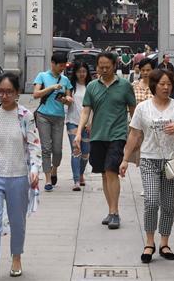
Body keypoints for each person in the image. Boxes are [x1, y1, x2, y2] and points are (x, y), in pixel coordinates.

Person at [0, 72, 43, 281]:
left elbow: (34, 145)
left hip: (18, 176)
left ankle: (16, 257)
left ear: (17, 92)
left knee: (17, 221)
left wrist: (34, 170)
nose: (4, 96)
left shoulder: (25, 116)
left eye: (9, 92)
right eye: (1, 91)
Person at [120, 68, 174, 262]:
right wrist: (125, 159)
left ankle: (165, 243)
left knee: (168, 205)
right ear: (154, 85)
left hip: (173, 163)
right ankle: (149, 242)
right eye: (162, 84)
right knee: (152, 201)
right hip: (149, 160)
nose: (166, 87)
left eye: (169, 84)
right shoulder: (143, 108)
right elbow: (134, 134)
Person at [74, 51, 136, 230]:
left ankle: (115, 212)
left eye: (107, 67)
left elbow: (133, 110)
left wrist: (135, 133)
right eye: (101, 67)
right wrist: (79, 133)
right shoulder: (92, 86)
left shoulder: (124, 85)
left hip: (118, 135)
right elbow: (86, 111)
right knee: (103, 173)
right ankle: (111, 210)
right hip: (97, 136)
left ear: (115, 66)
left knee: (111, 171)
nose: (104, 69)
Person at [32, 54, 73, 192]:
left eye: (64, 66)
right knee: (46, 148)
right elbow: (36, 94)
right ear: (53, 63)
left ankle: (54, 169)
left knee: (57, 150)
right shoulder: (42, 76)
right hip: (43, 115)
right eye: (60, 65)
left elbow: (69, 98)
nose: (62, 68)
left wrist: (66, 99)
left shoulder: (65, 80)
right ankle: (48, 179)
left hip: (59, 117)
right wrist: (51, 88)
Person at [65, 60, 92, 191]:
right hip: (72, 121)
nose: (81, 74)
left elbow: (94, 106)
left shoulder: (92, 86)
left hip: (88, 123)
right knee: (76, 151)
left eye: (84, 71)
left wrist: (90, 122)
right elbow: (67, 102)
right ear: (75, 73)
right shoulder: (70, 86)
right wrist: (66, 100)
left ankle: (81, 174)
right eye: (79, 72)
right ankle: (76, 180)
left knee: (86, 153)